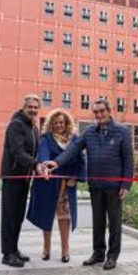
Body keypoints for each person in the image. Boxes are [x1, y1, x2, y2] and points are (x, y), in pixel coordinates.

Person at [45, 98, 133, 270]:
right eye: (96, 112)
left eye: (101, 111)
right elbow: (73, 148)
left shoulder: (122, 132)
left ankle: (112, 256)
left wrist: (126, 184)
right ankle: (98, 253)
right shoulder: (90, 132)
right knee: (98, 221)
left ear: (109, 111)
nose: (99, 115)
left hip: (115, 186)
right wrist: (57, 162)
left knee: (114, 222)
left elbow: (129, 160)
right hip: (95, 184)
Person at [27, 109, 84, 263]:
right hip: (48, 183)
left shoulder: (75, 139)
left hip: (67, 184)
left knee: (65, 217)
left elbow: (80, 160)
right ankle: (46, 248)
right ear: (51, 124)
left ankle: (65, 250)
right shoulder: (46, 138)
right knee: (47, 216)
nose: (59, 125)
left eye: (62, 122)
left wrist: (75, 177)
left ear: (66, 124)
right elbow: (43, 155)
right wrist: (45, 168)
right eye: (56, 122)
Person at [0, 94, 48, 268]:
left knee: (18, 216)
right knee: (9, 216)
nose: (33, 110)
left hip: (25, 178)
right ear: (24, 107)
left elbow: (35, 152)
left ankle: (14, 249)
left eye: (36, 107)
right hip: (12, 177)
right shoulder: (16, 125)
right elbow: (17, 152)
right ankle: (7, 254)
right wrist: (36, 165)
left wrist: (41, 165)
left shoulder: (34, 129)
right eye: (30, 107)